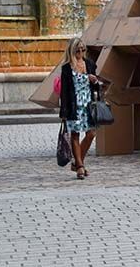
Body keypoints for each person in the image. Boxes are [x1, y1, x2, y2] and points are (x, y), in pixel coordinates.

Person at [57, 37, 109, 179]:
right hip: (74, 105)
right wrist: (63, 112)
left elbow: (97, 85)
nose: (80, 52)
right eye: (77, 50)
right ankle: (80, 166)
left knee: (91, 133)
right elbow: (64, 92)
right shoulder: (66, 68)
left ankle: (77, 162)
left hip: (88, 104)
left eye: (83, 50)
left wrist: (95, 80)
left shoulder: (90, 64)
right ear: (72, 51)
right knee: (75, 135)